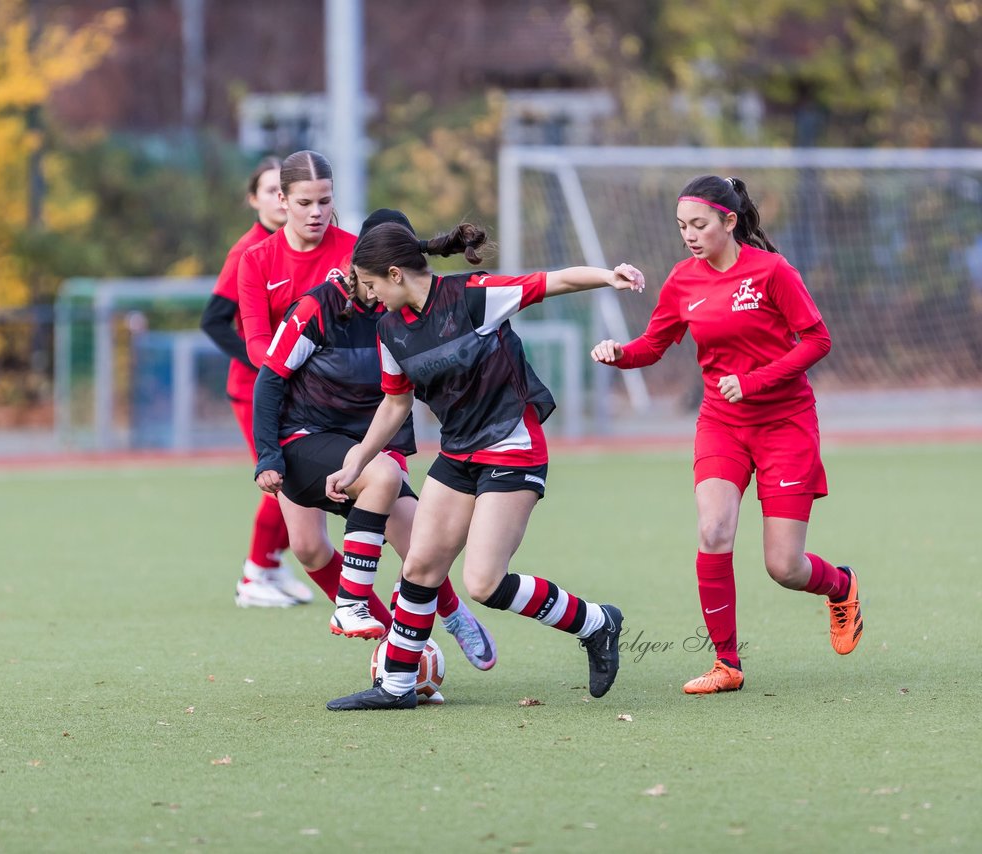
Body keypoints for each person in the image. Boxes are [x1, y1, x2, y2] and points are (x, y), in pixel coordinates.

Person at [323, 221, 646, 710]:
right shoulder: (389, 331)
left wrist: (608, 276)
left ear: (394, 274)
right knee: (421, 565)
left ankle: (597, 623)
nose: (367, 296)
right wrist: (355, 464)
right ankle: (397, 686)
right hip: (458, 453)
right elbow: (393, 405)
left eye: (370, 285)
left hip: (512, 446)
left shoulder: (473, 297)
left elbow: (552, 281)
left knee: (484, 583)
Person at [590, 175, 863, 695]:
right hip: (723, 423)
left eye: (699, 225)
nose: (689, 235)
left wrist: (756, 381)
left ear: (729, 221)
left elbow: (818, 339)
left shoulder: (772, 272)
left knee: (784, 566)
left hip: (786, 424)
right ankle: (727, 663)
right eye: (681, 227)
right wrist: (619, 354)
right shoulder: (682, 280)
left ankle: (842, 586)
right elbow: (654, 344)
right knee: (714, 530)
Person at [252, 208, 498, 676]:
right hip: (307, 437)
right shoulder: (318, 307)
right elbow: (269, 380)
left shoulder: (412, 314)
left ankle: (446, 617)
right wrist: (267, 456)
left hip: (371, 445)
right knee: (306, 547)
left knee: (421, 547)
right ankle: (378, 627)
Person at [232, 149, 356, 609]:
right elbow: (255, 343)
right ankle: (389, 636)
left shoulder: (352, 252)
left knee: (404, 536)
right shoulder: (255, 260)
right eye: (305, 202)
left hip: (357, 413)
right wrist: (298, 369)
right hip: (295, 415)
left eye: (325, 201)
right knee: (306, 546)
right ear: (282, 200)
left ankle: (445, 616)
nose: (317, 212)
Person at [201, 156, 296, 607]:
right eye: (270, 189)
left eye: (286, 188)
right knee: (282, 478)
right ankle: (255, 575)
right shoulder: (247, 252)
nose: (280, 198)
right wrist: (263, 363)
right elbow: (215, 320)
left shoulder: (299, 246)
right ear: (253, 198)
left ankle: (273, 567)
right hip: (254, 387)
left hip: (295, 386)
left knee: (303, 478)